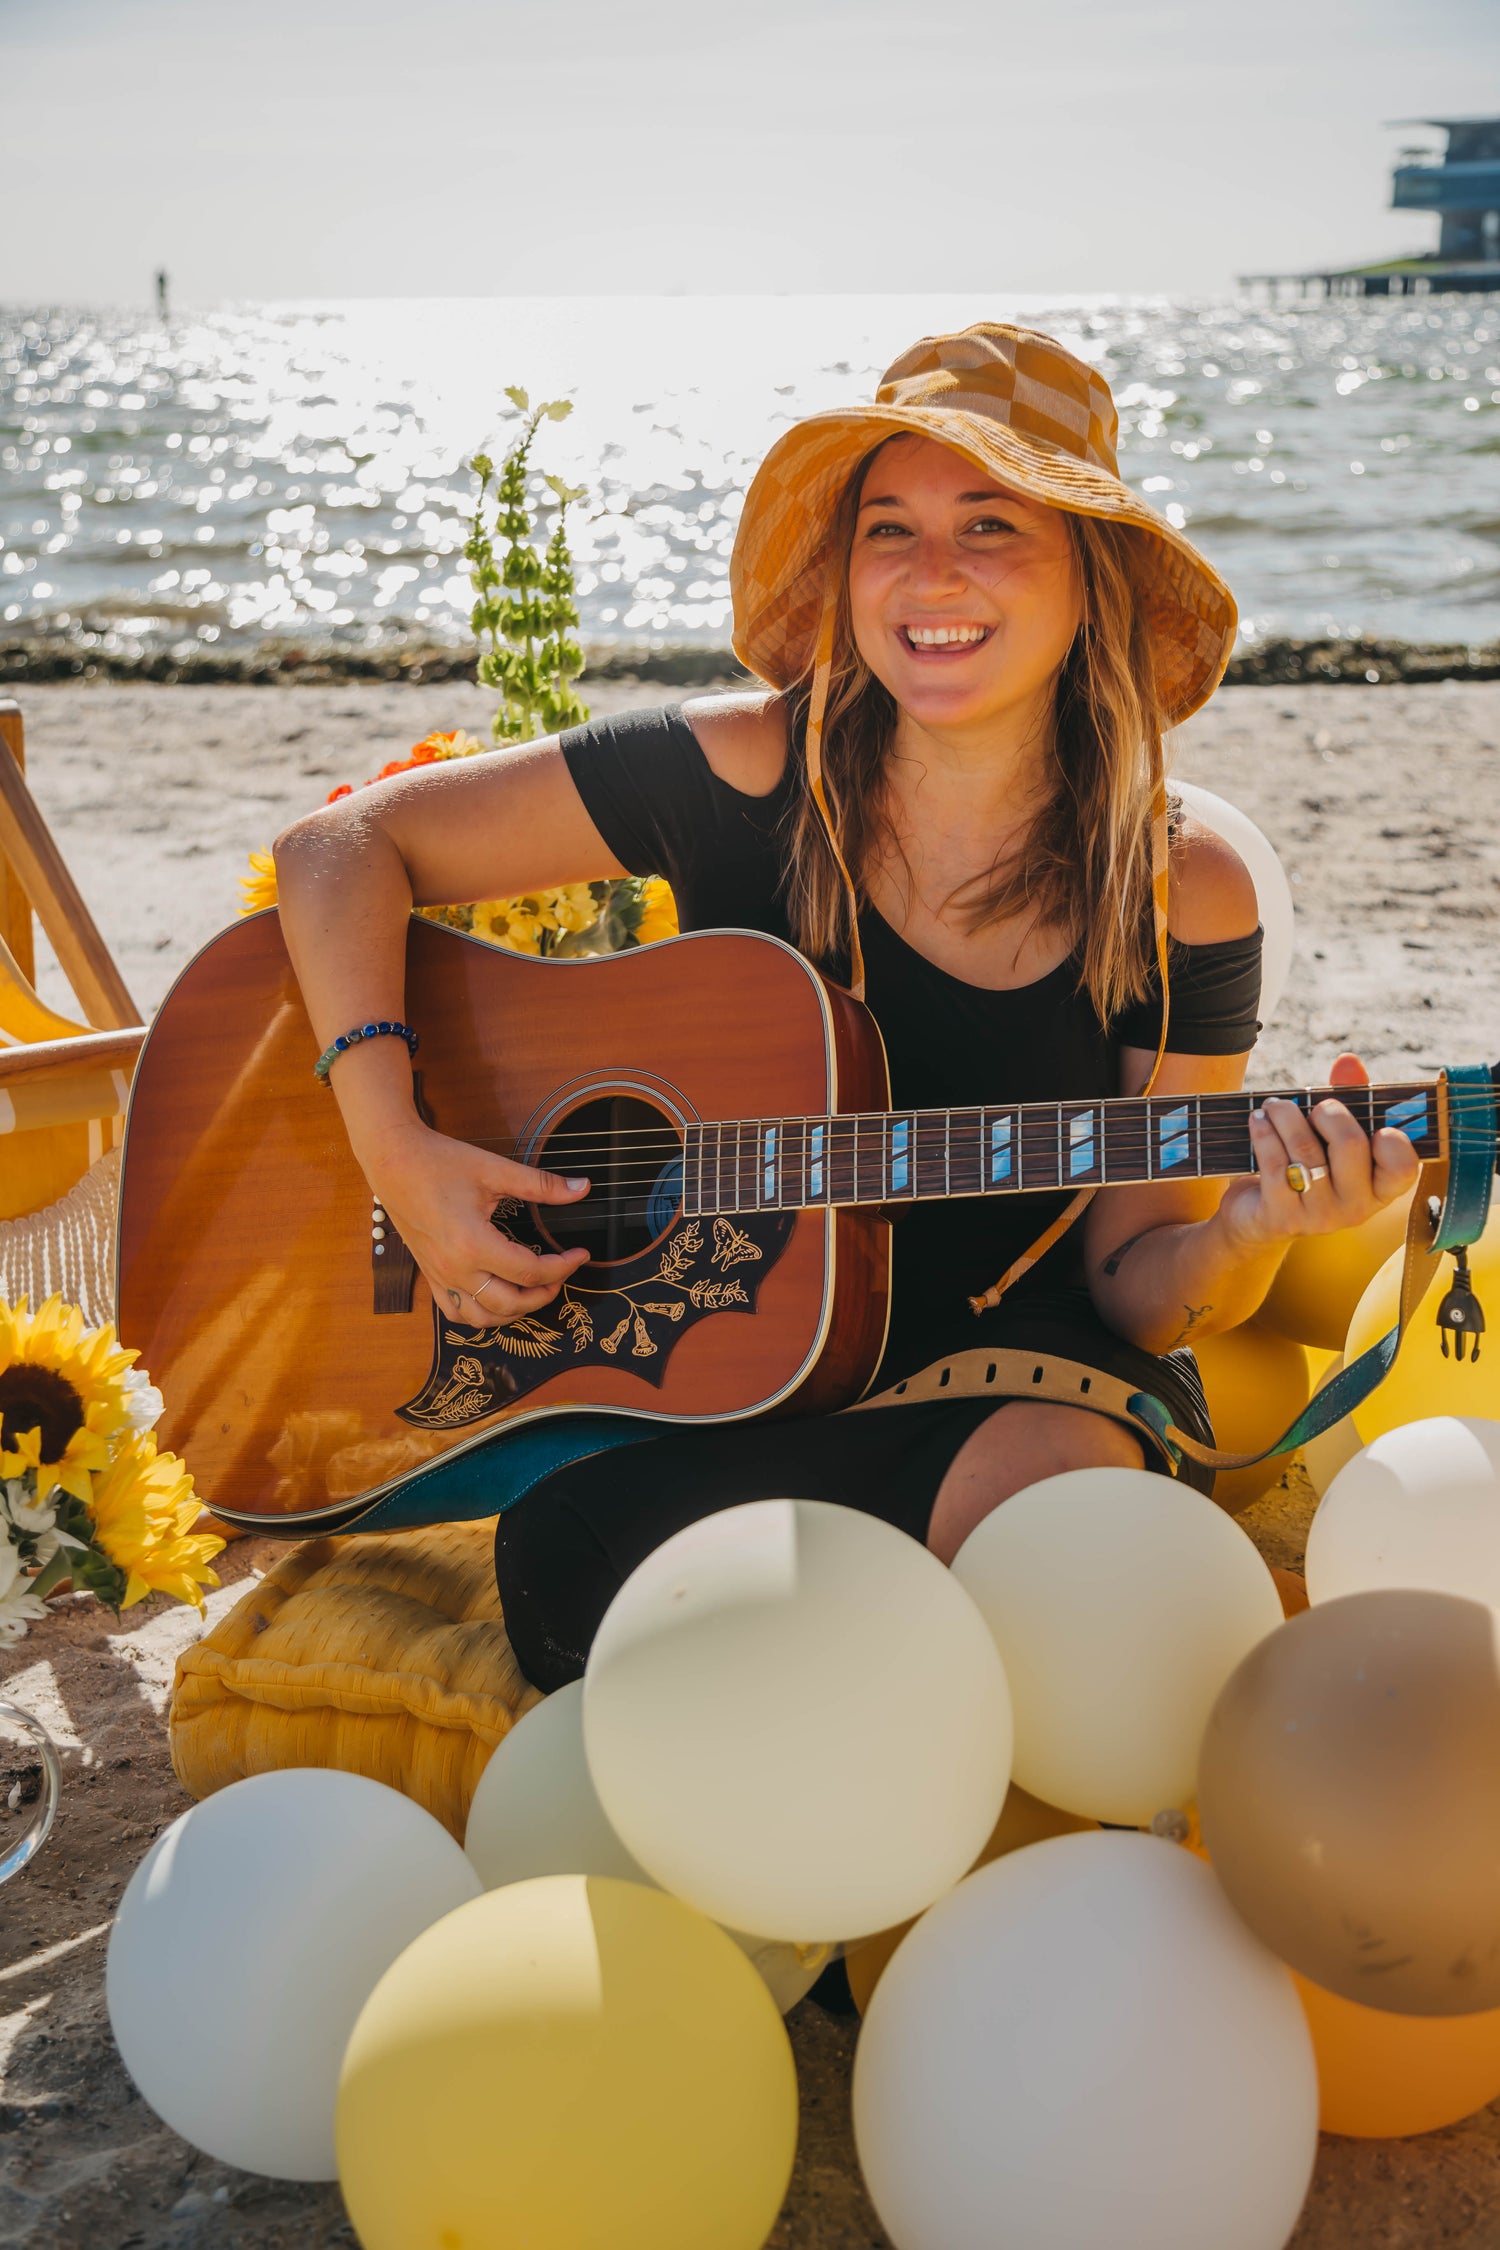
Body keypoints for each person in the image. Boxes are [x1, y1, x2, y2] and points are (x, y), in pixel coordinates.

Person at [273, 323, 1417, 1690]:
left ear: (1087, 576)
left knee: (1058, 1529)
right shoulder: (739, 767)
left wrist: (1253, 1225)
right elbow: (339, 849)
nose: (932, 575)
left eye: (990, 524)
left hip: (1011, 1380)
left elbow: (1135, 1289)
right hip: (712, 1384)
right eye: (891, 528)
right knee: (647, 1595)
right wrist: (393, 1142)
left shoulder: (1180, 890)